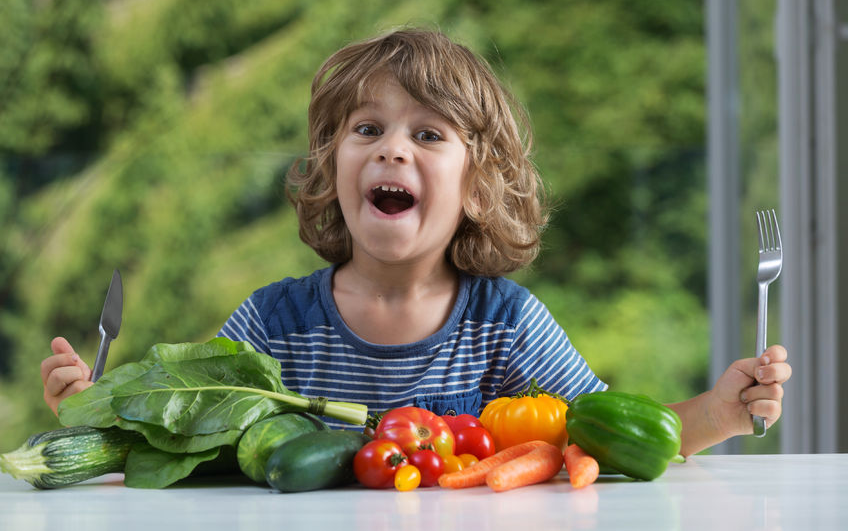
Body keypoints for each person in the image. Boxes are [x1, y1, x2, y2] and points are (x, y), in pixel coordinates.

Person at [40, 28, 791, 457]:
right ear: (333, 166)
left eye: (427, 134)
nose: (391, 150)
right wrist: (97, 408)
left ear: (476, 184)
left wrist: (718, 412)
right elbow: (188, 427)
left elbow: (609, 434)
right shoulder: (273, 324)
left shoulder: (506, 324)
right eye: (367, 130)